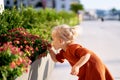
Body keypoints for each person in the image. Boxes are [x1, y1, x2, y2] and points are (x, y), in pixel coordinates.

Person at [48, 24, 114, 80]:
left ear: (60, 41)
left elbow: (87, 54)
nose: (52, 42)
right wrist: (50, 51)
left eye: (53, 39)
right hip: (85, 70)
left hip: (93, 67)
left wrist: (77, 66)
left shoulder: (72, 47)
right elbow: (56, 59)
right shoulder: (63, 52)